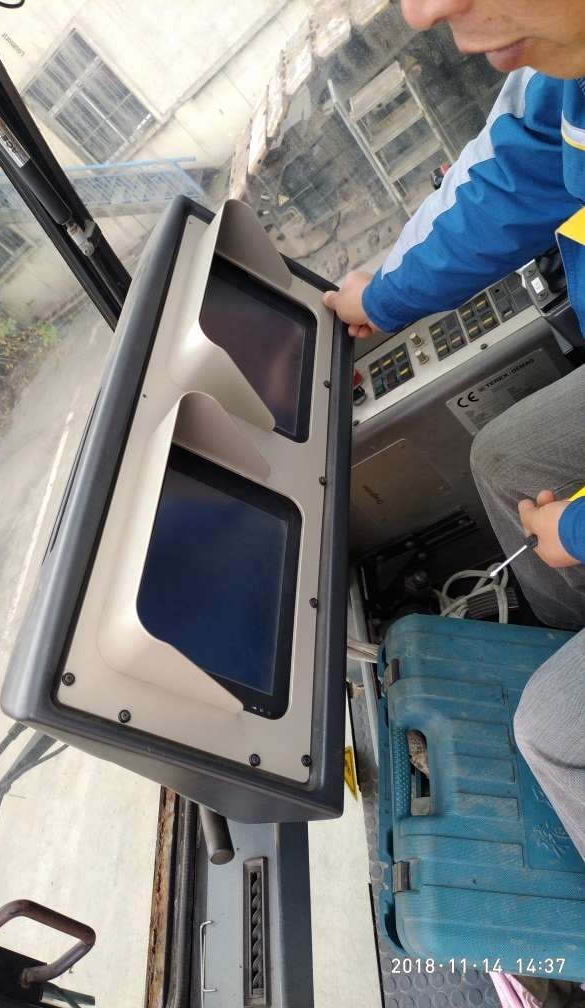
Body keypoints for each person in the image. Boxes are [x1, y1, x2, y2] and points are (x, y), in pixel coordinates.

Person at [323, 0, 585, 860]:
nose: (424, 11)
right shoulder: (571, 75)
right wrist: (384, 295)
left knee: (554, 735)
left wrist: (577, 531)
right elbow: (517, 170)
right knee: (507, 457)